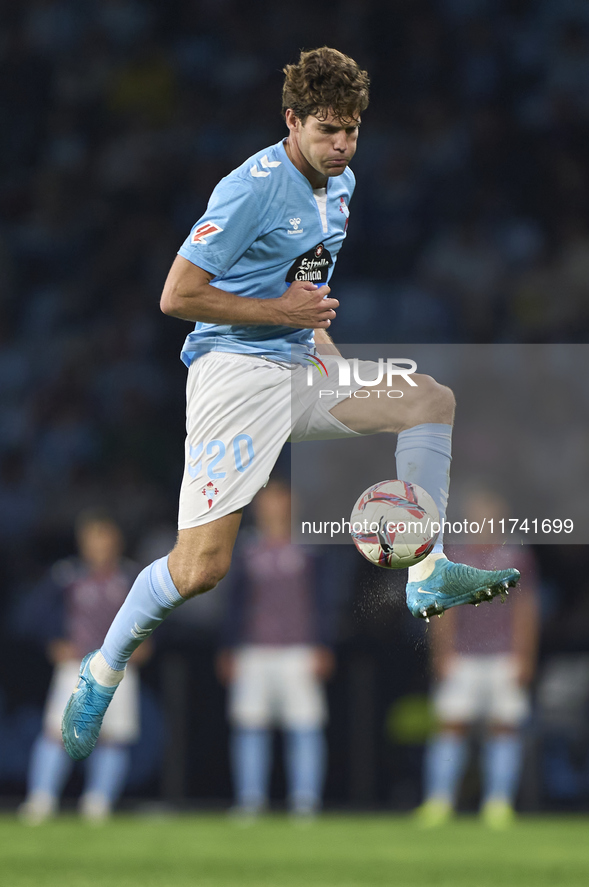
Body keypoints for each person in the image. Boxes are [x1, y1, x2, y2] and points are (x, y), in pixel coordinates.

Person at [62, 47, 519, 763]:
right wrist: (279, 312)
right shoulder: (251, 187)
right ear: (292, 120)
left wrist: (327, 356)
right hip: (235, 376)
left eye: (352, 131)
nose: (341, 144)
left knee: (428, 398)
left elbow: (307, 295)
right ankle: (101, 669)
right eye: (327, 130)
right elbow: (176, 295)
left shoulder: (342, 185)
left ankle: (425, 574)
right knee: (199, 570)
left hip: (297, 365)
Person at [415, 490, 540, 829]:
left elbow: (525, 610)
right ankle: (439, 801)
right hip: (463, 656)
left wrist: (524, 655)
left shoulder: (516, 555)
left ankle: (498, 804)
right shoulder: (453, 555)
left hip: (504, 656)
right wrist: (442, 653)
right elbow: (443, 609)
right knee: (450, 726)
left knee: (504, 728)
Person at [19, 511, 150, 823]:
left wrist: (148, 642)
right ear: (83, 543)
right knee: (57, 731)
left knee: (113, 735)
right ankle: (41, 798)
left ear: (116, 542)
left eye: (105, 539)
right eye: (93, 540)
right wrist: (53, 641)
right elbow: (35, 615)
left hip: (119, 665)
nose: (99, 547)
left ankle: (98, 802)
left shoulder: (131, 577)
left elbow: (155, 612)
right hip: (75, 665)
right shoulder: (66, 575)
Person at [216, 479, 336, 818]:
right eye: (268, 501)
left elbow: (324, 601)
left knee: (306, 725)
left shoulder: (310, 549)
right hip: (253, 650)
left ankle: (305, 802)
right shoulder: (245, 549)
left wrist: (323, 645)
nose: (274, 508)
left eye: (281, 501)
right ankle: (250, 801)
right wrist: (228, 647)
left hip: (300, 650)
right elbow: (232, 604)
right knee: (250, 725)